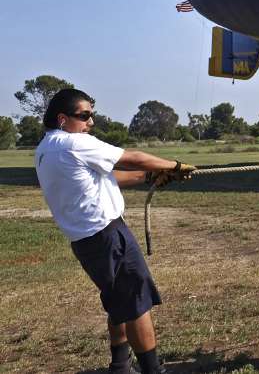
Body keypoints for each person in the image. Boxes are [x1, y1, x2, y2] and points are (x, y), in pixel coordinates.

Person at [34, 88, 195, 374]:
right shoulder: (73, 143)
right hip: (108, 235)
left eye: (91, 115)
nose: (90, 122)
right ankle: (152, 370)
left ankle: (120, 365)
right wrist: (175, 165)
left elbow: (107, 177)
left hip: (87, 240)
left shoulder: (46, 148)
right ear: (62, 119)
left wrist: (150, 176)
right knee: (136, 303)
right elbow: (131, 157)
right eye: (84, 116)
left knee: (120, 298)